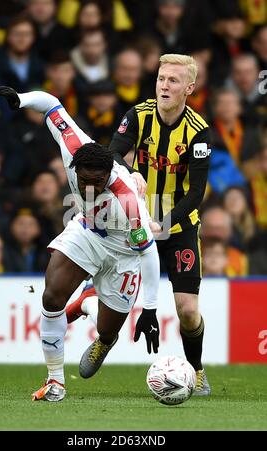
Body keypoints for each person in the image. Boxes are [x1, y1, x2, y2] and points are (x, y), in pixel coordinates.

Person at [0, 85, 160, 402]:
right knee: (52, 294)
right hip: (86, 230)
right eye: (83, 181)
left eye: (98, 183)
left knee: (108, 329)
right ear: (74, 169)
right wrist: (22, 100)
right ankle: (55, 381)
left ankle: (90, 306)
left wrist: (150, 310)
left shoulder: (128, 202)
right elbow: (52, 105)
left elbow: (149, 254)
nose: (89, 188)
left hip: (124, 253)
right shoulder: (73, 145)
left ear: (109, 175)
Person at [109, 53, 212, 396]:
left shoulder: (199, 133)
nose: (164, 85)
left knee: (187, 309)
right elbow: (111, 153)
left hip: (179, 226)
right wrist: (132, 171)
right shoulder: (138, 116)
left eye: (173, 80)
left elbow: (196, 194)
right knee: (112, 295)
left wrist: (164, 224)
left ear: (189, 88)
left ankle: (196, 371)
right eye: (161, 78)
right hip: (137, 224)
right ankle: (97, 344)